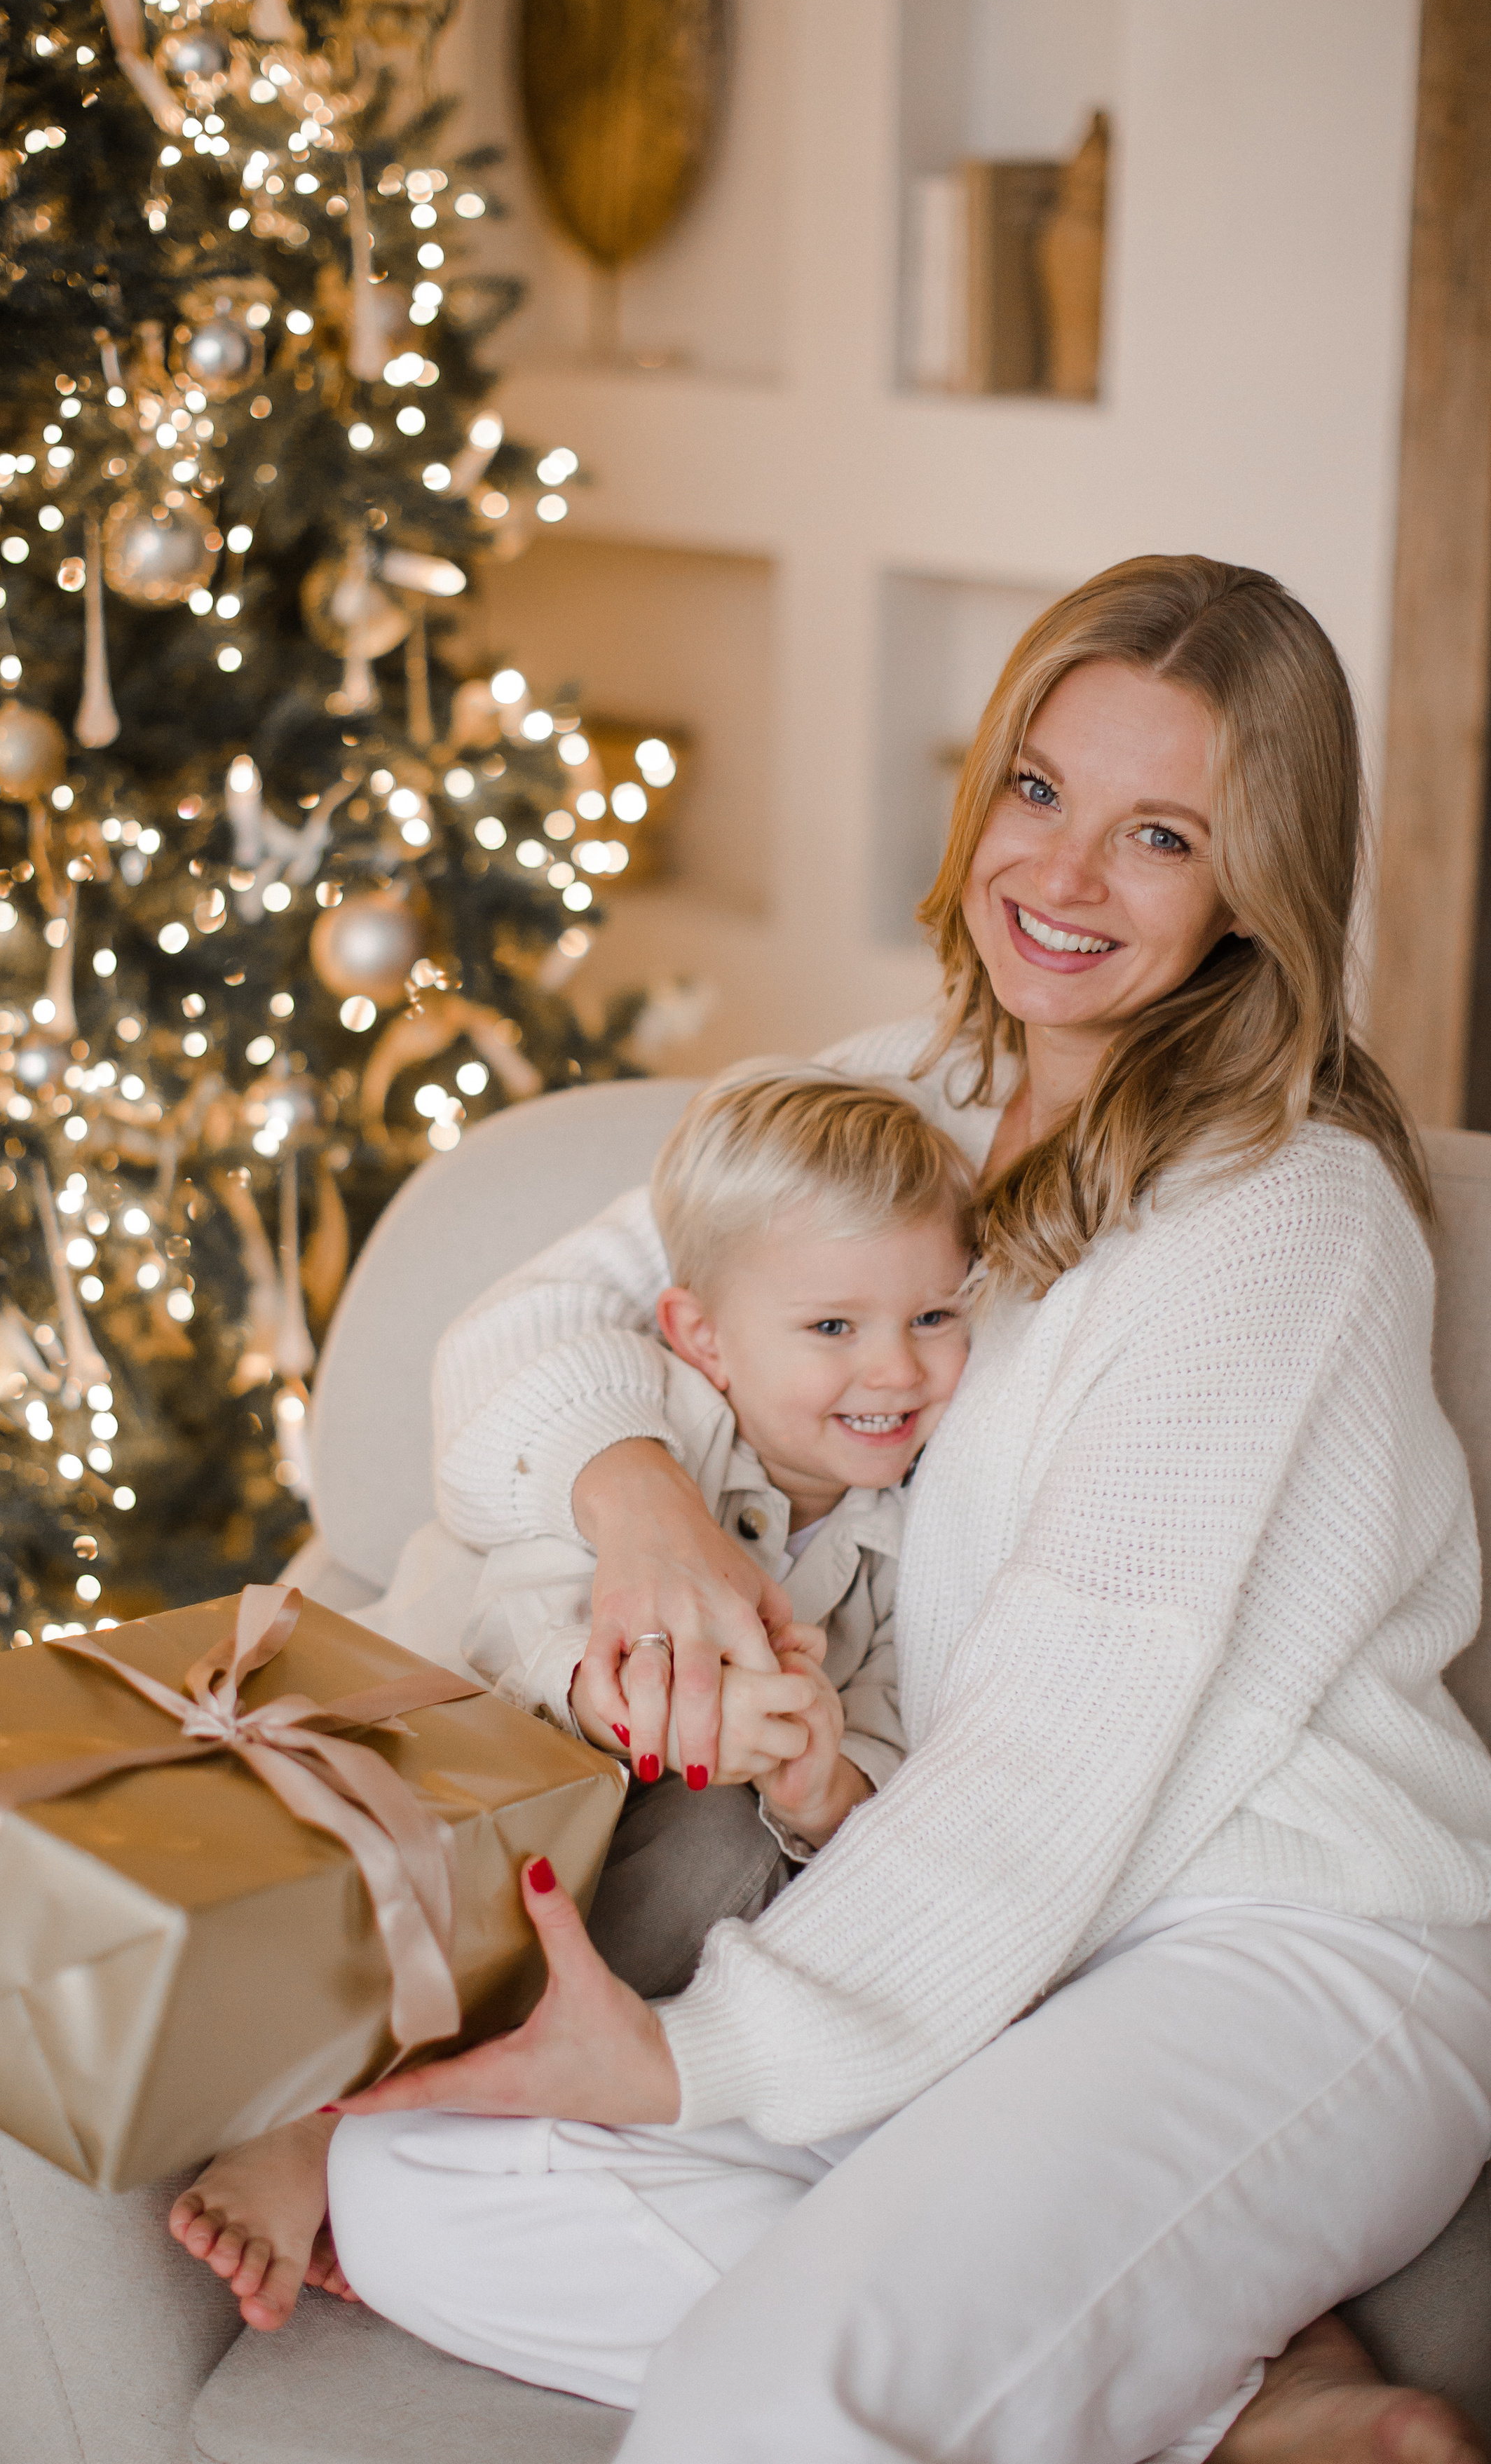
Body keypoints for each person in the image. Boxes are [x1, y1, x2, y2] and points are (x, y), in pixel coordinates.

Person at [185, 557, 1491, 2464]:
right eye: (1036, 789)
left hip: (1259, 1945)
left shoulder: (1283, 1219)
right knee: (409, 2182)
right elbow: (533, 1327)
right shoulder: (901, 1091)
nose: (1061, 875)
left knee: (771, 2400)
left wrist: (699, 2052)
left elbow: (1055, 1755)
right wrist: (649, 1507)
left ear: (1253, 888)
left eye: (1159, 836)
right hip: (964, 1934)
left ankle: (1104, 2351)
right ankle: (1220, 2403)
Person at [365, 1063, 976, 1997]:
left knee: (727, 1845)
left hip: (652, 1833)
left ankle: (558, 2029)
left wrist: (823, 1785)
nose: (897, 1369)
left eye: (932, 1316)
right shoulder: (639, 1417)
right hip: (456, 1743)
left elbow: (892, 1709)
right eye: (832, 1327)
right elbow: (513, 1620)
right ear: (704, 1337)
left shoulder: (915, 1528)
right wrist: (629, 1701)